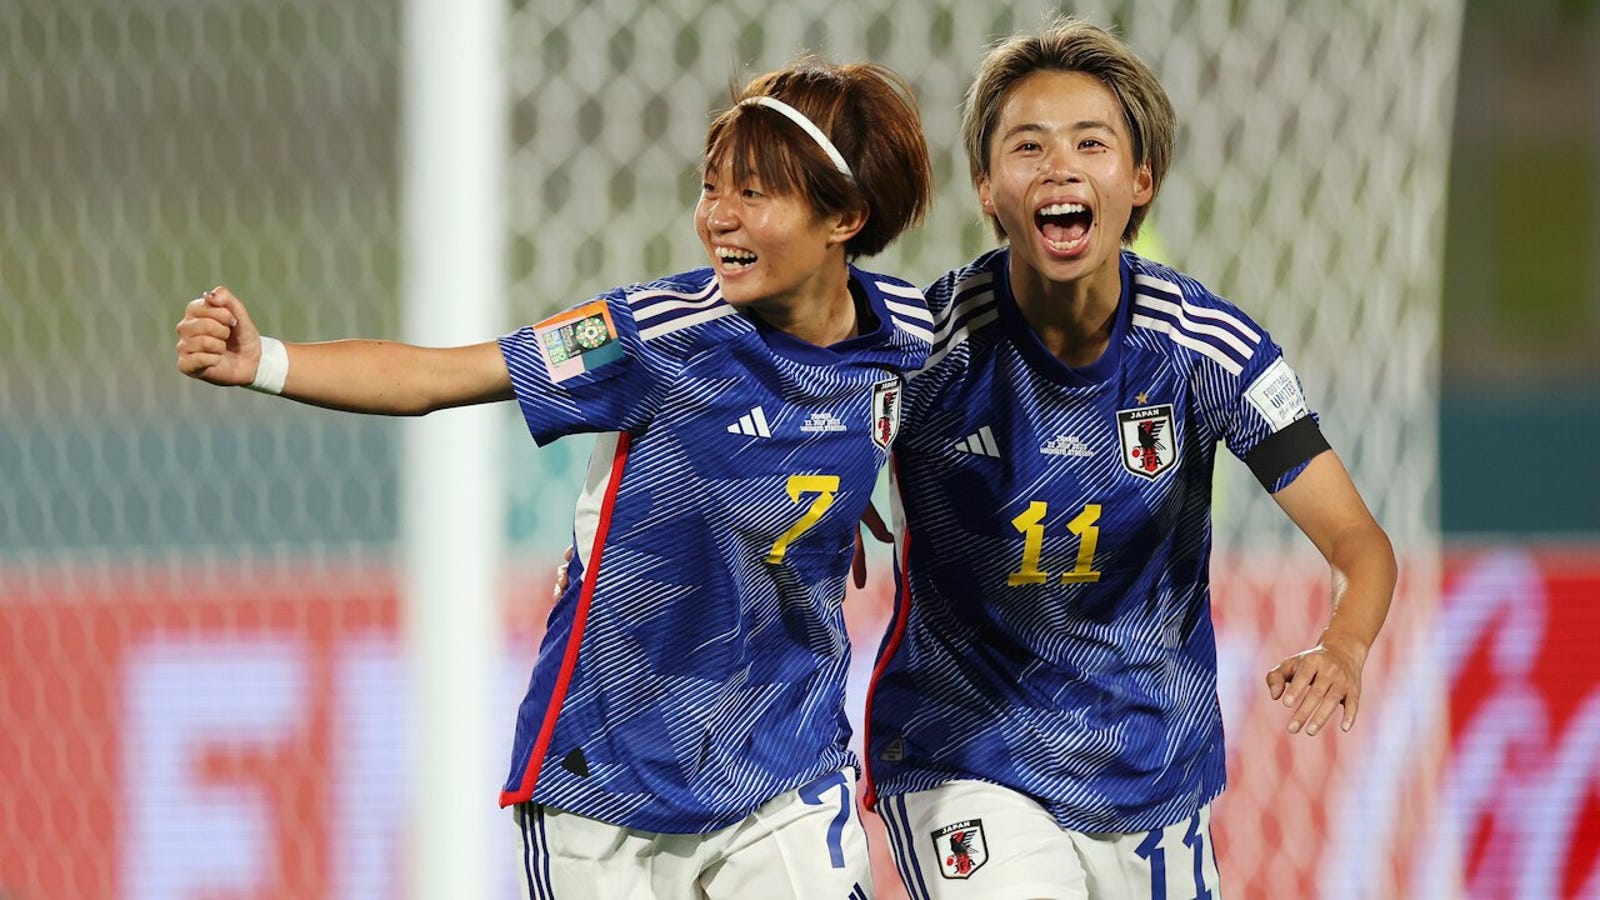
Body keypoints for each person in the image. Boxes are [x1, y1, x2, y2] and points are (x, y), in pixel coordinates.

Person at [175, 59, 934, 899]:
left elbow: (901, 417)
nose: (718, 216)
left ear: (846, 218)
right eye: (712, 186)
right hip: (607, 776)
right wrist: (265, 360)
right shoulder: (656, 335)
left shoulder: (905, 332)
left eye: (753, 194)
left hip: (784, 759)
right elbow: (440, 379)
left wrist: (850, 483)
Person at [860, 18, 1398, 900]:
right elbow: (811, 447)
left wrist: (1343, 645)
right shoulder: (930, 349)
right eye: (1027, 146)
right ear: (988, 188)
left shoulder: (1207, 349)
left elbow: (1357, 542)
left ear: (1139, 178)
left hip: (1150, 773)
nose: (1060, 167)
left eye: (1091, 143)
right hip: (962, 754)